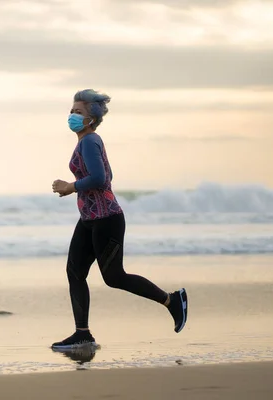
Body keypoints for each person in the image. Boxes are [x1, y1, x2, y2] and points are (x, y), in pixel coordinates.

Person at [50, 89, 188, 349]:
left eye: (78, 112)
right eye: (71, 111)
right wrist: (76, 187)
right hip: (90, 218)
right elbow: (107, 173)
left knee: (114, 277)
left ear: (91, 119)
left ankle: (173, 300)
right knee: (75, 273)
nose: (72, 115)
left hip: (106, 219)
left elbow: (102, 179)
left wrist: (71, 186)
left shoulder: (90, 141)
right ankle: (82, 333)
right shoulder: (87, 141)